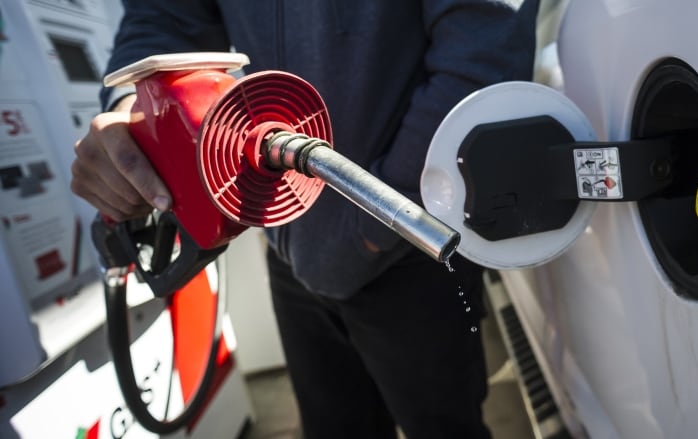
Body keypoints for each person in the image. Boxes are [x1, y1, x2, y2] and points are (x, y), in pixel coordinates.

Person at [71, 1, 540, 438]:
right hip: (289, 248)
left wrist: (370, 229)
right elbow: (164, 18)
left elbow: (483, 52)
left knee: (443, 425)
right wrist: (133, 111)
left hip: (407, 246)